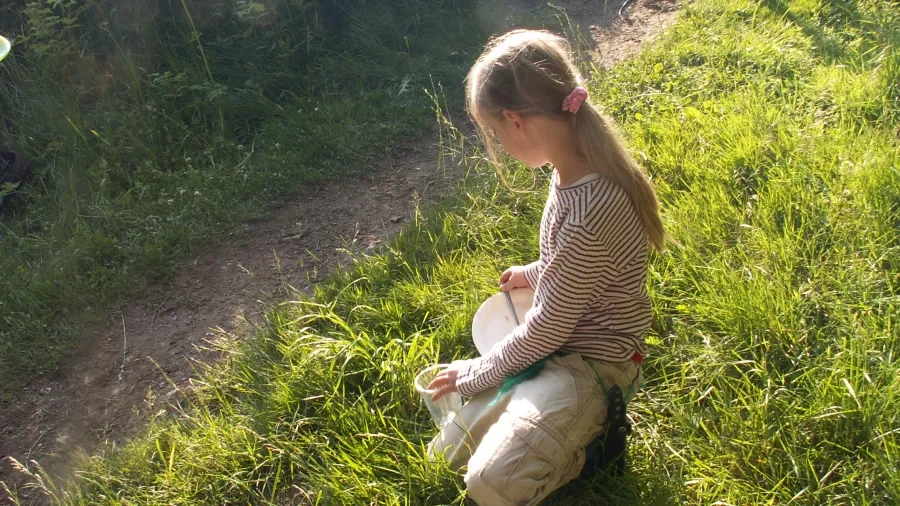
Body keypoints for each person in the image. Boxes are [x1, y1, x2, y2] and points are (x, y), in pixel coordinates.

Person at [426, 29, 665, 506]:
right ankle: (530, 408)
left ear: (515, 121)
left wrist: (477, 373)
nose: (499, 142)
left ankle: (591, 444)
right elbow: (574, 266)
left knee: (490, 484)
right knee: (445, 456)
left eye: (495, 132)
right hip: (558, 340)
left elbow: (548, 327)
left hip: (593, 364)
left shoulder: (590, 210)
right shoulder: (571, 169)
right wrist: (534, 273)